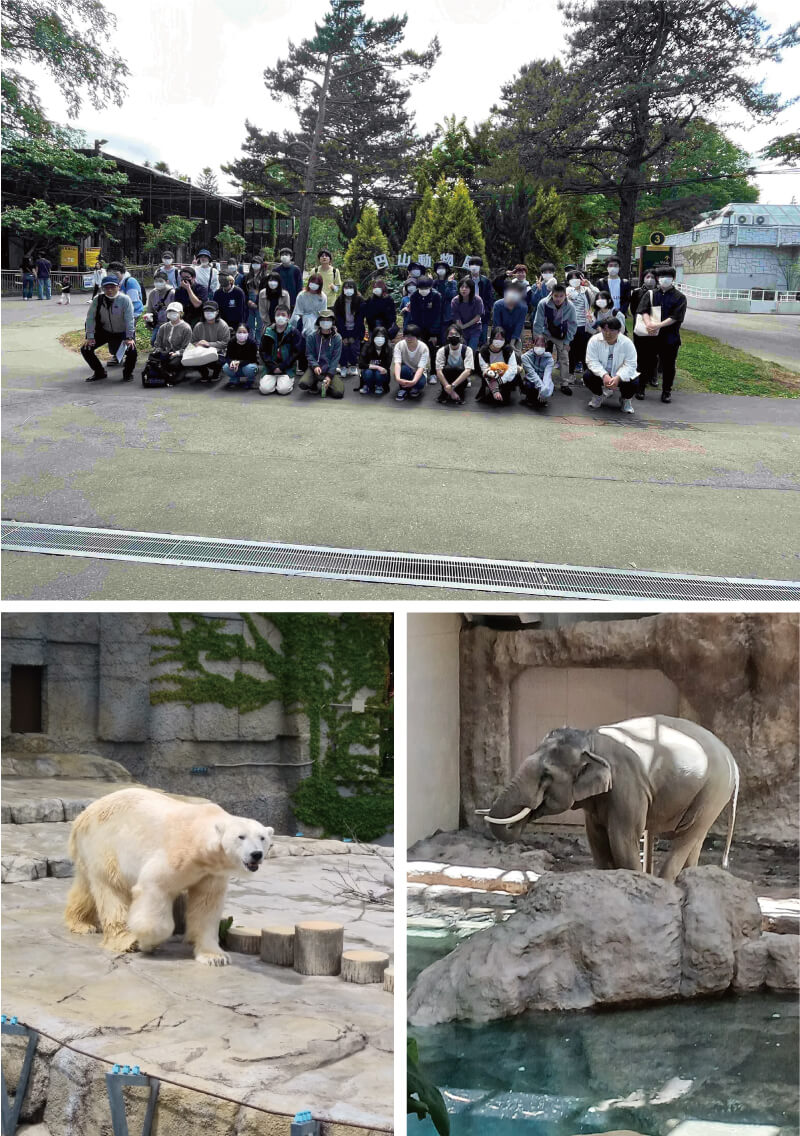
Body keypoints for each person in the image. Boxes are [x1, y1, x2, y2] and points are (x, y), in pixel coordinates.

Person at [634, 267, 686, 403]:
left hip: (670, 337)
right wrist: (648, 324)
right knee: (645, 362)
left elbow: (676, 317)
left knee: (668, 366)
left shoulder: (680, 297)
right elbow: (643, 310)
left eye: (668, 276)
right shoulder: (651, 294)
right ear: (658, 278)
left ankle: (666, 391)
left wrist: (658, 325)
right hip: (650, 336)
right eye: (662, 276)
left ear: (673, 279)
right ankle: (640, 388)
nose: (664, 279)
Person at [81, 275, 137, 382]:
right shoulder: (98, 299)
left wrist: (129, 337)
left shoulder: (125, 299)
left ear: (118, 287)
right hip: (105, 331)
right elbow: (90, 318)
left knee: (132, 350)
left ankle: (127, 374)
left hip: (122, 332)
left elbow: (130, 320)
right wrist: (90, 336)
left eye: (112, 287)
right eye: (106, 287)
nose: (109, 290)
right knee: (86, 349)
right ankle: (99, 372)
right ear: (102, 288)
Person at [585, 318, 639, 414]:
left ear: (619, 331)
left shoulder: (627, 343)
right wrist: (604, 375)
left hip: (619, 374)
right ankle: (598, 396)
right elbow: (591, 361)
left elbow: (631, 364)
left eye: (612, 330)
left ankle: (625, 399)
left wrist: (618, 377)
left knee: (634, 382)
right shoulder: (594, 340)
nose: (608, 334)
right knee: (587, 376)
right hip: (602, 373)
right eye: (604, 330)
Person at [532, 282, 577, 396]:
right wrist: (537, 339)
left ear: (565, 296)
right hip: (546, 331)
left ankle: (564, 383)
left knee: (564, 357)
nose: (558, 299)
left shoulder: (570, 306)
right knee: (539, 352)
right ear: (551, 294)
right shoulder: (543, 303)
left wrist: (568, 341)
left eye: (561, 296)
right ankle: (539, 378)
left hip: (561, 334)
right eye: (556, 296)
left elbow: (572, 325)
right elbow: (538, 323)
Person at [298, 309, 344, 398]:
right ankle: (313, 383)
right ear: (319, 322)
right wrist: (315, 366)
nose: (326, 322)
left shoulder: (337, 338)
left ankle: (327, 384)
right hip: (314, 369)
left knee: (338, 393)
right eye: (323, 320)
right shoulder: (311, 337)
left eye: (328, 320)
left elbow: (336, 359)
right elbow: (309, 354)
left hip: (329, 369)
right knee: (303, 384)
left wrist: (329, 376)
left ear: (333, 322)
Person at [258, 305, 303, 395]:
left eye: (283, 315)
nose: (280, 317)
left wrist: (282, 367)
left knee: (283, 390)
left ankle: (284, 381)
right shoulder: (267, 331)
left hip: (287, 368)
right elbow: (263, 352)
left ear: (288, 317)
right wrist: (273, 367)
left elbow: (296, 353)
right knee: (264, 390)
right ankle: (273, 381)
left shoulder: (294, 332)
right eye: (278, 315)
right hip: (270, 368)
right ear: (274, 316)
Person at [147, 301, 192, 385]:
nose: (171, 314)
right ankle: (166, 374)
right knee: (153, 361)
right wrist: (160, 351)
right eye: (169, 312)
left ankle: (183, 370)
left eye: (174, 312)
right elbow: (158, 343)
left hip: (180, 355)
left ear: (181, 313)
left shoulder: (186, 328)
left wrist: (177, 353)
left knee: (172, 364)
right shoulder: (163, 327)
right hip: (166, 353)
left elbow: (187, 347)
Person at [566, 269, 598, 381]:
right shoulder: (567, 291)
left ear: (581, 279)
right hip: (571, 326)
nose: (574, 280)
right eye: (572, 278)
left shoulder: (586, 291)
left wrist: (590, 285)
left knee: (585, 350)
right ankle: (571, 373)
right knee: (572, 351)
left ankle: (585, 375)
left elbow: (599, 296)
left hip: (585, 325)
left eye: (577, 277)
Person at [630, 270, 660, 390]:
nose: (650, 279)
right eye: (648, 277)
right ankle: (640, 375)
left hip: (655, 325)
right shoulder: (637, 292)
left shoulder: (659, 293)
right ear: (643, 278)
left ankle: (653, 375)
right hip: (640, 325)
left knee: (654, 353)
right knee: (639, 352)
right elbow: (633, 309)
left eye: (653, 277)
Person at [476, 325, 518, 406]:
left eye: (501, 339)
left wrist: (500, 381)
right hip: (490, 376)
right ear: (491, 338)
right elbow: (485, 370)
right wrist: (494, 389)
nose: (499, 341)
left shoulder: (508, 350)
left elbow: (513, 369)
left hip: (505, 377)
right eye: (496, 338)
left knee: (505, 401)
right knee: (491, 401)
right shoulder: (483, 351)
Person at [190, 299, 230, 382]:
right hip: (201, 352)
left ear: (217, 312)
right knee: (191, 357)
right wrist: (197, 344)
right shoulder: (198, 325)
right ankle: (204, 373)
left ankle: (216, 373)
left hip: (218, 353)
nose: (208, 313)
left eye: (211, 310)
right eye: (206, 310)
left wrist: (208, 344)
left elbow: (225, 343)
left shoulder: (223, 325)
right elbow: (193, 341)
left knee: (217, 360)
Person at [333, 278, 365, 377]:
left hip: (356, 329)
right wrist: (344, 336)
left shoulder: (360, 301)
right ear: (343, 289)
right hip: (343, 329)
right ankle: (343, 366)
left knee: (354, 348)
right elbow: (338, 319)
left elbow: (360, 320)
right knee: (343, 347)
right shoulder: (339, 301)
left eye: (350, 287)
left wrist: (353, 336)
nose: (348, 290)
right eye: (346, 287)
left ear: (354, 289)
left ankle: (353, 366)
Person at [434, 326, 473, 405]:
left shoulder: (467, 350)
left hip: (461, 379)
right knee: (447, 369)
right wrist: (450, 390)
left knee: (460, 369)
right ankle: (446, 391)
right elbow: (439, 372)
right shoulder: (442, 350)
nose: (453, 336)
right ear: (447, 337)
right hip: (446, 379)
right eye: (451, 334)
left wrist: (452, 386)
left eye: (456, 334)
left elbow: (468, 371)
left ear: (461, 336)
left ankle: (457, 392)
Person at [407, 276, 442, 361]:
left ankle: (434, 371)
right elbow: (414, 314)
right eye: (421, 288)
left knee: (433, 350)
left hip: (432, 326)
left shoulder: (436, 296)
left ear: (430, 287)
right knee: (419, 349)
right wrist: (416, 331)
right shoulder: (414, 296)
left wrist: (433, 333)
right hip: (419, 327)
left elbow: (438, 315)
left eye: (425, 288)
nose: (423, 290)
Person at [392, 324, 429, 401]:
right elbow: (397, 363)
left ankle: (414, 387)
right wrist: (398, 378)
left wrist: (414, 381)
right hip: (406, 371)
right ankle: (403, 389)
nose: (409, 338)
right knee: (403, 369)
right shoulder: (399, 345)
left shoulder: (423, 348)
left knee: (420, 383)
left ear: (417, 337)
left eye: (412, 336)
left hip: (418, 372)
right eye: (407, 336)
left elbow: (421, 367)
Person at [449, 277, 484, 354]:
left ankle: (470, 366)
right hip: (461, 329)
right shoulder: (455, 301)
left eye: (467, 287)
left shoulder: (478, 300)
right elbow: (456, 316)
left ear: (471, 289)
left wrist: (464, 326)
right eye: (462, 287)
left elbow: (477, 317)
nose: (464, 289)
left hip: (475, 328)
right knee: (462, 351)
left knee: (471, 351)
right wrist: (461, 328)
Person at [520, 336, 555, 410]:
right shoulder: (525, 357)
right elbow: (531, 374)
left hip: (543, 381)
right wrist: (541, 388)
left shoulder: (550, 359)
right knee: (529, 388)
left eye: (542, 345)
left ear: (546, 346)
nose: (539, 347)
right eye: (537, 345)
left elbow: (547, 376)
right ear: (533, 344)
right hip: (531, 380)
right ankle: (529, 397)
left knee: (542, 398)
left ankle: (541, 397)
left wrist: (544, 390)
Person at [222, 324, 260, 389]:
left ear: (248, 333)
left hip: (247, 366)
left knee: (250, 368)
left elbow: (253, 359)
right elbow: (227, 357)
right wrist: (231, 362)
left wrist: (239, 362)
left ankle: (251, 380)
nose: (242, 334)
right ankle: (234, 379)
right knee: (225, 367)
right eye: (239, 332)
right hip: (235, 367)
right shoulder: (231, 342)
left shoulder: (252, 343)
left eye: (244, 332)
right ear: (236, 333)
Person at [290, 273, 327, 338]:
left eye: (316, 283)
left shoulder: (323, 297)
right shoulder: (302, 295)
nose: (314, 285)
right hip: (301, 320)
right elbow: (299, 313)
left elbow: (322, 314)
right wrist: (307, 320)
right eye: (312, 282)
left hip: (316, 323)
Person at [491, 284, 527, 353]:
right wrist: (500, 339)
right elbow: (497, 325)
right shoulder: (497, 305)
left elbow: (519, 325)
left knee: (517, 354)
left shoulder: (523, 307)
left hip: (516, 334)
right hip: (499, 333)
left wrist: (512, 342)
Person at [466, 257, 494, 344]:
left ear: (480, 267)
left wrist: (487, 310)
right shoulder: (465, 280)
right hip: (467, 313)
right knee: (468, 340)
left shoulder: (486, 281)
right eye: (472, 264)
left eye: (477, 265)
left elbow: (490, 298)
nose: (474, 267)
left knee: (483, 340)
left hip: (482, 314)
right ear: (469, 266)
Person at [358, 326, 392, 395]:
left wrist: (379, 369)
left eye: (382, 337)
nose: (380, 339)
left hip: (380, 373)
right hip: (368, 371)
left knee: (379, 373)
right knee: (368, 372)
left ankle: (379, 386)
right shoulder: (367, 346)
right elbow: (361, 364)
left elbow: (387, 365)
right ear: (373, 337)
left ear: (385, 338)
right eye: (377, 336)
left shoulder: (388, 347)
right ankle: (367, 385)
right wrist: (377, 367)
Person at [144, 271, 176, 344]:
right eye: (156, 281)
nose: (158, 283)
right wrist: (147, 321)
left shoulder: (172, 293)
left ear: (167, 281)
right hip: (158, 323)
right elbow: (149, 309)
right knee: (153, 341)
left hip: (170, 323)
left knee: (168, 343)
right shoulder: (152, 293)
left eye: (161, 281)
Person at [432, 260, 458, 340]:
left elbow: (452, 296)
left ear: (446, 270)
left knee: (446, 337)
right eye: (439, 268)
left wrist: (449, 284)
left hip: (447, 314)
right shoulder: (434, 283)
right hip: (436, 313)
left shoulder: (452, 282)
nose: (440, 269)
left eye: (443, 268)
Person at [243, 255, 265, 339]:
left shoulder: (265, 277)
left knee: (260, 325)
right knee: (250, 324)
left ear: (261, 264)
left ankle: (259, 343)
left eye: (257, 263)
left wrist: (257, 303)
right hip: (249, 303)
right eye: (254, 263)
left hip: (260, 304)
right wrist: (247, 301)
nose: (255, 265)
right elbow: (244, 291)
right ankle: (251, 341)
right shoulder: (247, 277)